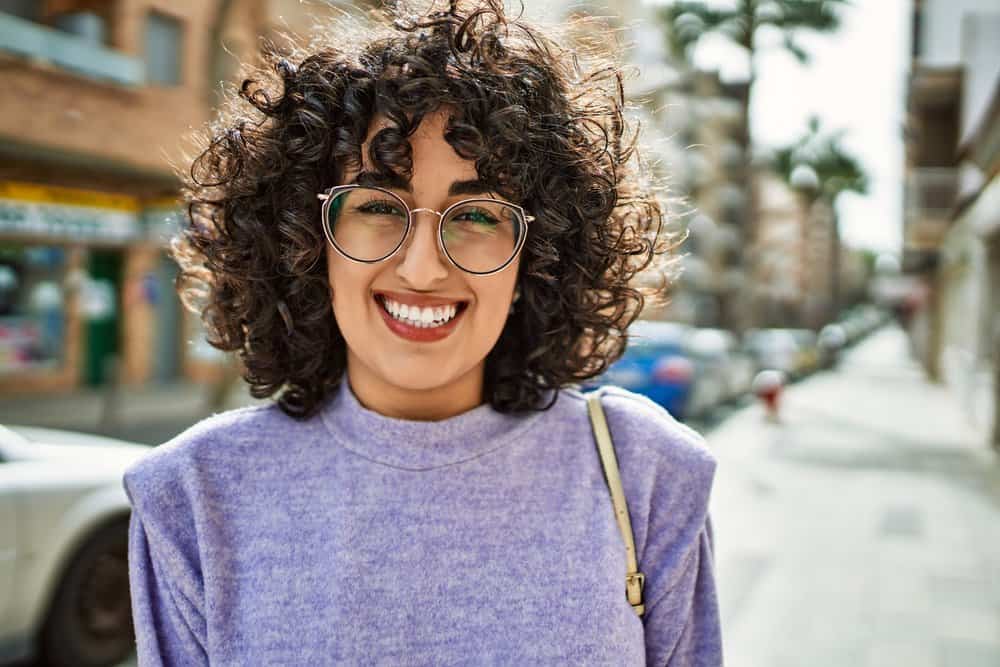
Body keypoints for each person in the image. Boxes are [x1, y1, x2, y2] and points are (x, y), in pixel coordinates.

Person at [122, 2, 722, 664]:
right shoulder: (192, 495)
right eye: (379, 205)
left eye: (476, 215)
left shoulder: (645, 476)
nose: (423, 266)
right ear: (303, 240)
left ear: (538, 253)